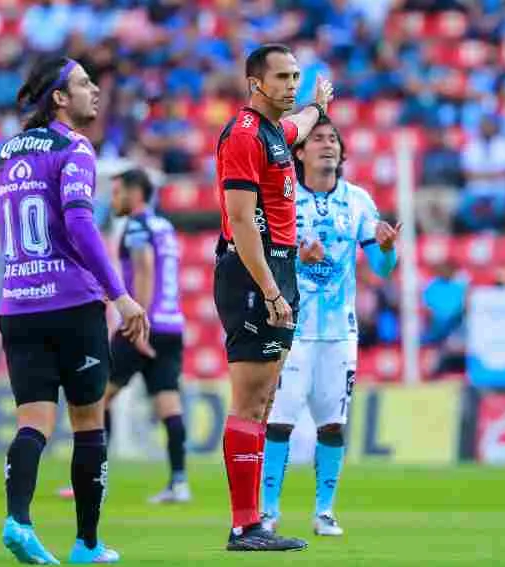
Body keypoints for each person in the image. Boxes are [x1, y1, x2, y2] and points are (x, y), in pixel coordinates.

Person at [0, 56, 149, 565]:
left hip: (18, 305)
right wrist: (119, 294)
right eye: (84, 83)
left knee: (33, 423)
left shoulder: (6, 152)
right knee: (88, 421)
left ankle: (18, 520)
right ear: (59, 98)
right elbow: (80, 224)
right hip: (71, 305)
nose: (95, 90)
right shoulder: (75, 147)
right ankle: (87, 545)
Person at [213, 43, 333, 551]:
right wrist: (268, 289)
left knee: (262, 402)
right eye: (281, 77)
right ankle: (244, 526)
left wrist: (318, 107)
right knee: (249, 401)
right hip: (253, 273)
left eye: (296, 76)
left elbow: (300, 124)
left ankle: (253, 521)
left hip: (279, 268)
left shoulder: (274, 133)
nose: (291, 85)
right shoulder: (244, 134)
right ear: (255, 83)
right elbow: (241, 220)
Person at [260, 117, 399, 536]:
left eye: (333, 139)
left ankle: (324, 512)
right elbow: (260, 259)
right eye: (318, 138)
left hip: (340, 332)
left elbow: (382, 268)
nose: (328, 145)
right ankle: (268, 512)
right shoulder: (283, 199)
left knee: (333, 424)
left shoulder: (358, 200)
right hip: (292, 329)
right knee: (279, 421)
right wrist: (296, 259)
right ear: (299, 152)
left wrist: (388, 250)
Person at [58, 168, 190, 504]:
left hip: (141, 325)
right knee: (168, 403)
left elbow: (144, 268)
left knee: (96, 398)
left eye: (117, 193)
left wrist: (138, 319)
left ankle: (93, 479)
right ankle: (179, 483)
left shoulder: (137, 226)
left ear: (135, 193)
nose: (113, 199)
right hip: (171, 325)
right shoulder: (164, 227)